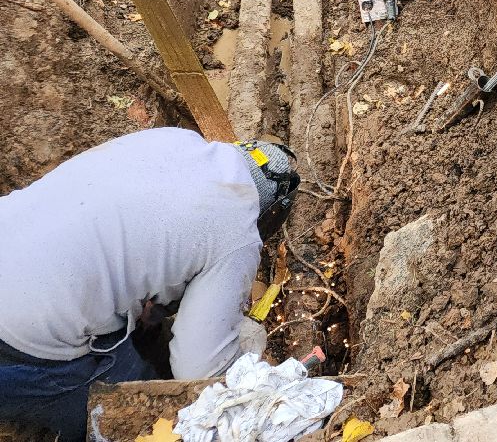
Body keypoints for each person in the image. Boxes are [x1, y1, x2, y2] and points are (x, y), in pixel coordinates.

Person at [0, 128, 299, 441]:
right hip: (23, 345)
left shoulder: (173, 139)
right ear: (270, 213)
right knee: (150, 415)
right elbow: (198, 372)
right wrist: (243, 364)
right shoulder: (238, 233)